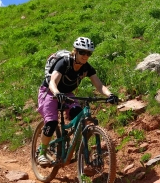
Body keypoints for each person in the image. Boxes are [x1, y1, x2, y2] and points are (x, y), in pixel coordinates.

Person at [36, 37, 118, 165]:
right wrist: (57, 93)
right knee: (52, 122)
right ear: (75, 51)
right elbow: (53, 82)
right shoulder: (64, 63)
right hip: (50, 92)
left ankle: (77, 149)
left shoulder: (87, 68)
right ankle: (42, 152)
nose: (85, 56)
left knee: (79, 116)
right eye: (82, 52)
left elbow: (99, 85)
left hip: (67, 94)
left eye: (89, 53)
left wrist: (110, 94)